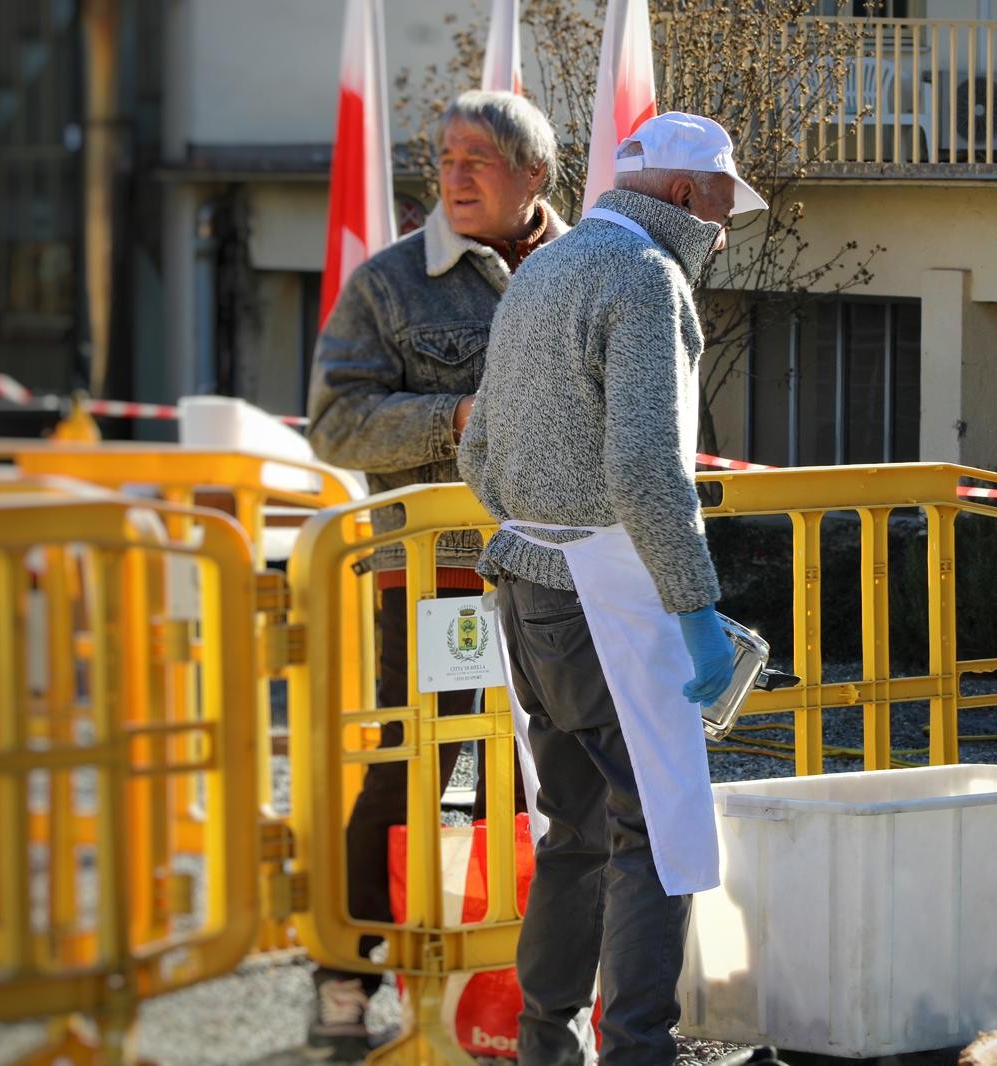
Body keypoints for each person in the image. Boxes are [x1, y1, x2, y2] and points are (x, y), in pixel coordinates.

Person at [457, 111, 767, 1064]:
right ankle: (637, 1047)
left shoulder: (540, 270)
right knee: (654, 826)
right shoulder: (646, 277)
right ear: (680, 194)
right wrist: (696, 607)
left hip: (526, 580)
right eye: (721, 200)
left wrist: (538, 528)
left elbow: (475, 454)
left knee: (576, 832)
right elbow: (644, 467)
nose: (725, 224)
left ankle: (547, 1041)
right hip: (604, 590)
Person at [304, 89, 566, 1059]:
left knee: (533, 777)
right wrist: (455, 420)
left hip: (566, 571)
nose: (454, 175)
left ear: (534, 176)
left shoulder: (590, 267)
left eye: (479, 159)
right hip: (435, 575)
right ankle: (344, 979)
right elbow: (334, 424)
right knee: (413, 768)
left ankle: (512, 993)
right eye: (445, 158)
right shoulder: (390, 284)